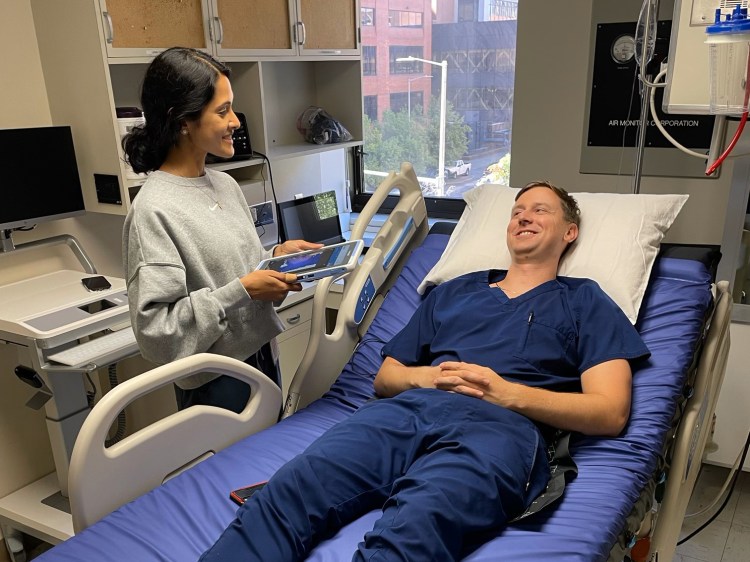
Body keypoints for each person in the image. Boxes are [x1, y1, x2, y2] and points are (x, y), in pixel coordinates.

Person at [199, 181, 651, 561]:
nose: (523, 217)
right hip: (407, 410)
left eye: (540, 210)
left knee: (413, 529)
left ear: (570, 232)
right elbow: (386, 377)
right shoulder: (456, 290)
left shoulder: (585, 301)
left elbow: (609, 412)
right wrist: (428, 378)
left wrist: (504, 392)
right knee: (290, 491)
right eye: (516, 211)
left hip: (504, 430)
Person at [122, 47, 321, 413]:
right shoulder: (154, 210)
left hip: (262, 357)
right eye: (222, 110)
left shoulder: (224, 185)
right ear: (182, 120)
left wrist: (274, 261)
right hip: (214, 383)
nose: (236, 122)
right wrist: (242, 291)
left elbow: (232, 273)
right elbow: (156, 335)